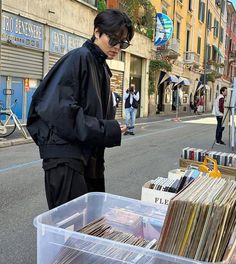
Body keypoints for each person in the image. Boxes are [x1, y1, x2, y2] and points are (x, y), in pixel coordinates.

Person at [26, 9, 134, 209]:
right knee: (72, 227)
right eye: (113, 39)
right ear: (97, 32)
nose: (118, 47)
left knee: (88, 224)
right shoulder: (80, 58)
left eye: (123, 43)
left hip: (85, 157)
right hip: (66, 159)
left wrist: (109, 128)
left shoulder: (100, 66)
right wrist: (107, 129)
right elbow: (60, 112)